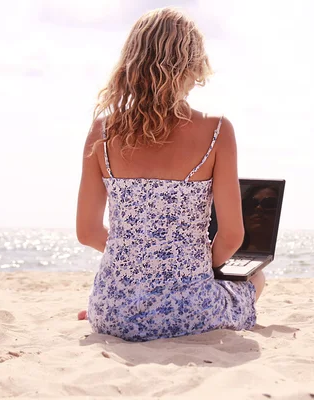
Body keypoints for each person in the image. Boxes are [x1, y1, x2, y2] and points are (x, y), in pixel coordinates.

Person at [75, 7, 265, 342]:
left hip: (112, 312)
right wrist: (189, 262)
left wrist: (140, 259)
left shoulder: (102, 131)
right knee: (256, 277)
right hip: (189, 312)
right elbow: (231, 237)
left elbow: (87, 232)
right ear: (191, 64)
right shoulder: (217, 130)